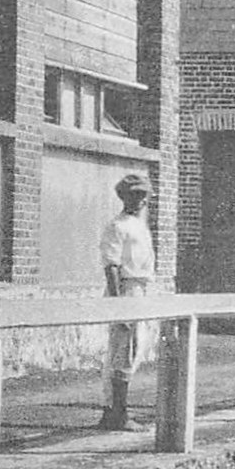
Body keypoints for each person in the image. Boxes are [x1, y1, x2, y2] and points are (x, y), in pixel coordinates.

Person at [99, 174, 155, 431]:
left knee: (135, 350)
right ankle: (117, 414)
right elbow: (111, 265)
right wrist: (118, 304)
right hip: (126, 289)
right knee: (123, 351)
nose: (141, 200)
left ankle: (113, 411)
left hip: (141, 290)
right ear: (124, 197)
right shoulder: (117, 226)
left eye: (143, 195)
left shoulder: (140, 226)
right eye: (135, 194)